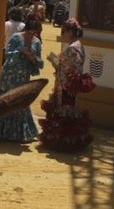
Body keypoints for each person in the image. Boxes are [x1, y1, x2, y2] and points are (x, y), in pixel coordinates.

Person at [39, 18, 94, 152]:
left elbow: (64, 67)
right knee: (69, 109)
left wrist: (54, 62)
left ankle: (64, 141)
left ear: (70, 32)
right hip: (71, 84)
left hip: (65, 85)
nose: (63, 34)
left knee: (64, 110)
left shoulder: (72, 48)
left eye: (65, 31)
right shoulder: (79, 46)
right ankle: (70, 140)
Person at [0, 17, 43, 143]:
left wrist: (32, 56)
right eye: (29, 32)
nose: (31, 35)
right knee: (5, 97)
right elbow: (7, 54)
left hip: (23, 75)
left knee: (20, 100)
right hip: (9, 73)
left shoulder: (37, 42)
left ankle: (18, 134)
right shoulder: (16, 37)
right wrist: (19, 51)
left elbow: (39, 63)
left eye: (34, 33)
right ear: (25, 29)